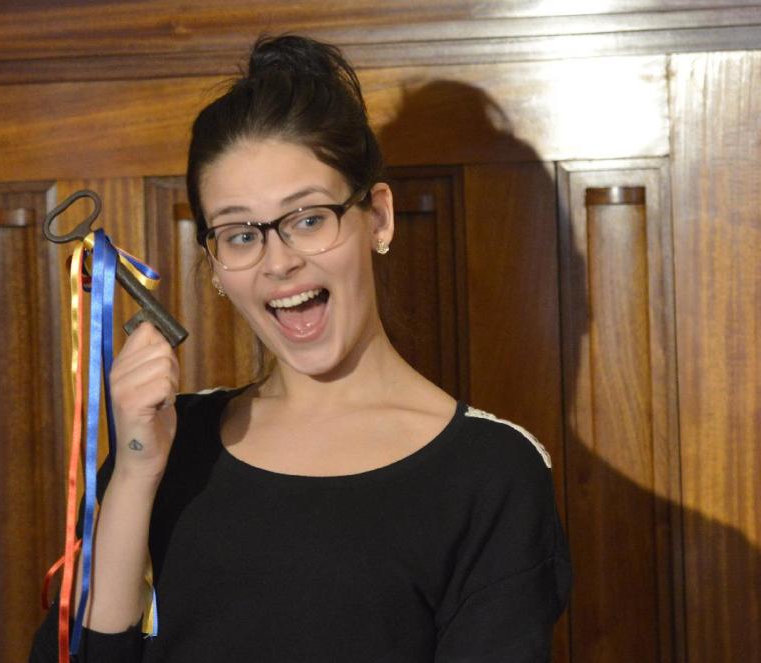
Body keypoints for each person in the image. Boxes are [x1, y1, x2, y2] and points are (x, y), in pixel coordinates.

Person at [30, 34, 571, 662]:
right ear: (213, 262)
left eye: (309, 218)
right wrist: (136, 470)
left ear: (379, 218)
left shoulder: (492, 472)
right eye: (240, 235)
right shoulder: (165, 442)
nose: (279, 262)